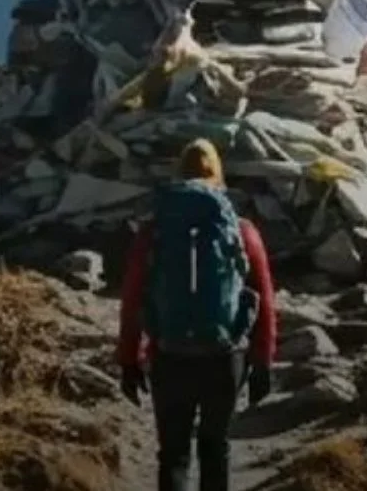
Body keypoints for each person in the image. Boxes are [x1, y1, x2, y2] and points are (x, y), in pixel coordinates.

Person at [117, 139, 278, 491]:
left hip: (169, 355)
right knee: (214, 448)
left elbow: (132, 298)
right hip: (225, 356)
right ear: (219, 177)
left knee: (173, 454)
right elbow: (263, 298)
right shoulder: (240, 229)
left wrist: (129, 360)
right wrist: (262, 359)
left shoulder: (154, 228)